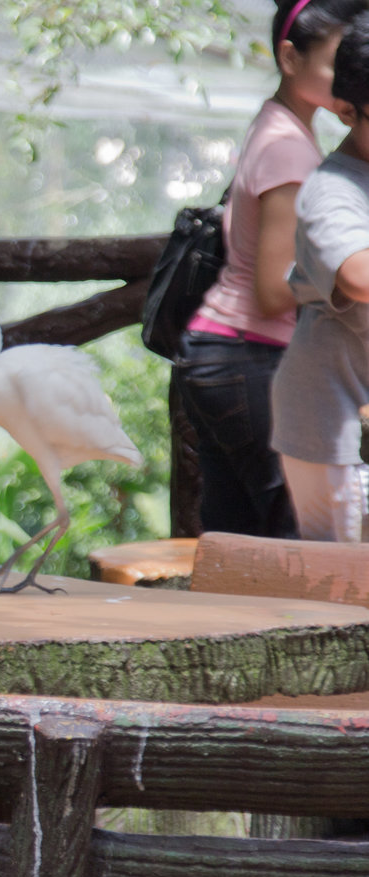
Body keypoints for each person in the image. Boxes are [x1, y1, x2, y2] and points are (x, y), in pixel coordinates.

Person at [176, 0, 364, 539]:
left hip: (219, 351)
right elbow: (273, 290)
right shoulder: (290, 152)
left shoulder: (280, 127)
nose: (346, 75)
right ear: (289, 57)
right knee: (289, 542)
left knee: (238, 537)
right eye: (336, 61)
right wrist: (332, 270)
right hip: (249, 352)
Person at [273, 9, 369, 540]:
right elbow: (357, 273)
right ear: (349, 112)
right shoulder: (332, 190)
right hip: (332, 427)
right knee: (344, 595)